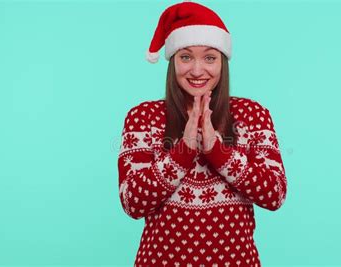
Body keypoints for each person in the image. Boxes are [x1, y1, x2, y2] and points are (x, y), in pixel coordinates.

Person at [117, 1, 288, 266]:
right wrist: (183, 150)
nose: (197, 70)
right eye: (186, 57)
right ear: (173, 61)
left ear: (223, 62)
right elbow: (133, 202)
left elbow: (275, 193)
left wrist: (217, 151)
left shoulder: (252, 114)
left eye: (209, 57)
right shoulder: (143, 118)